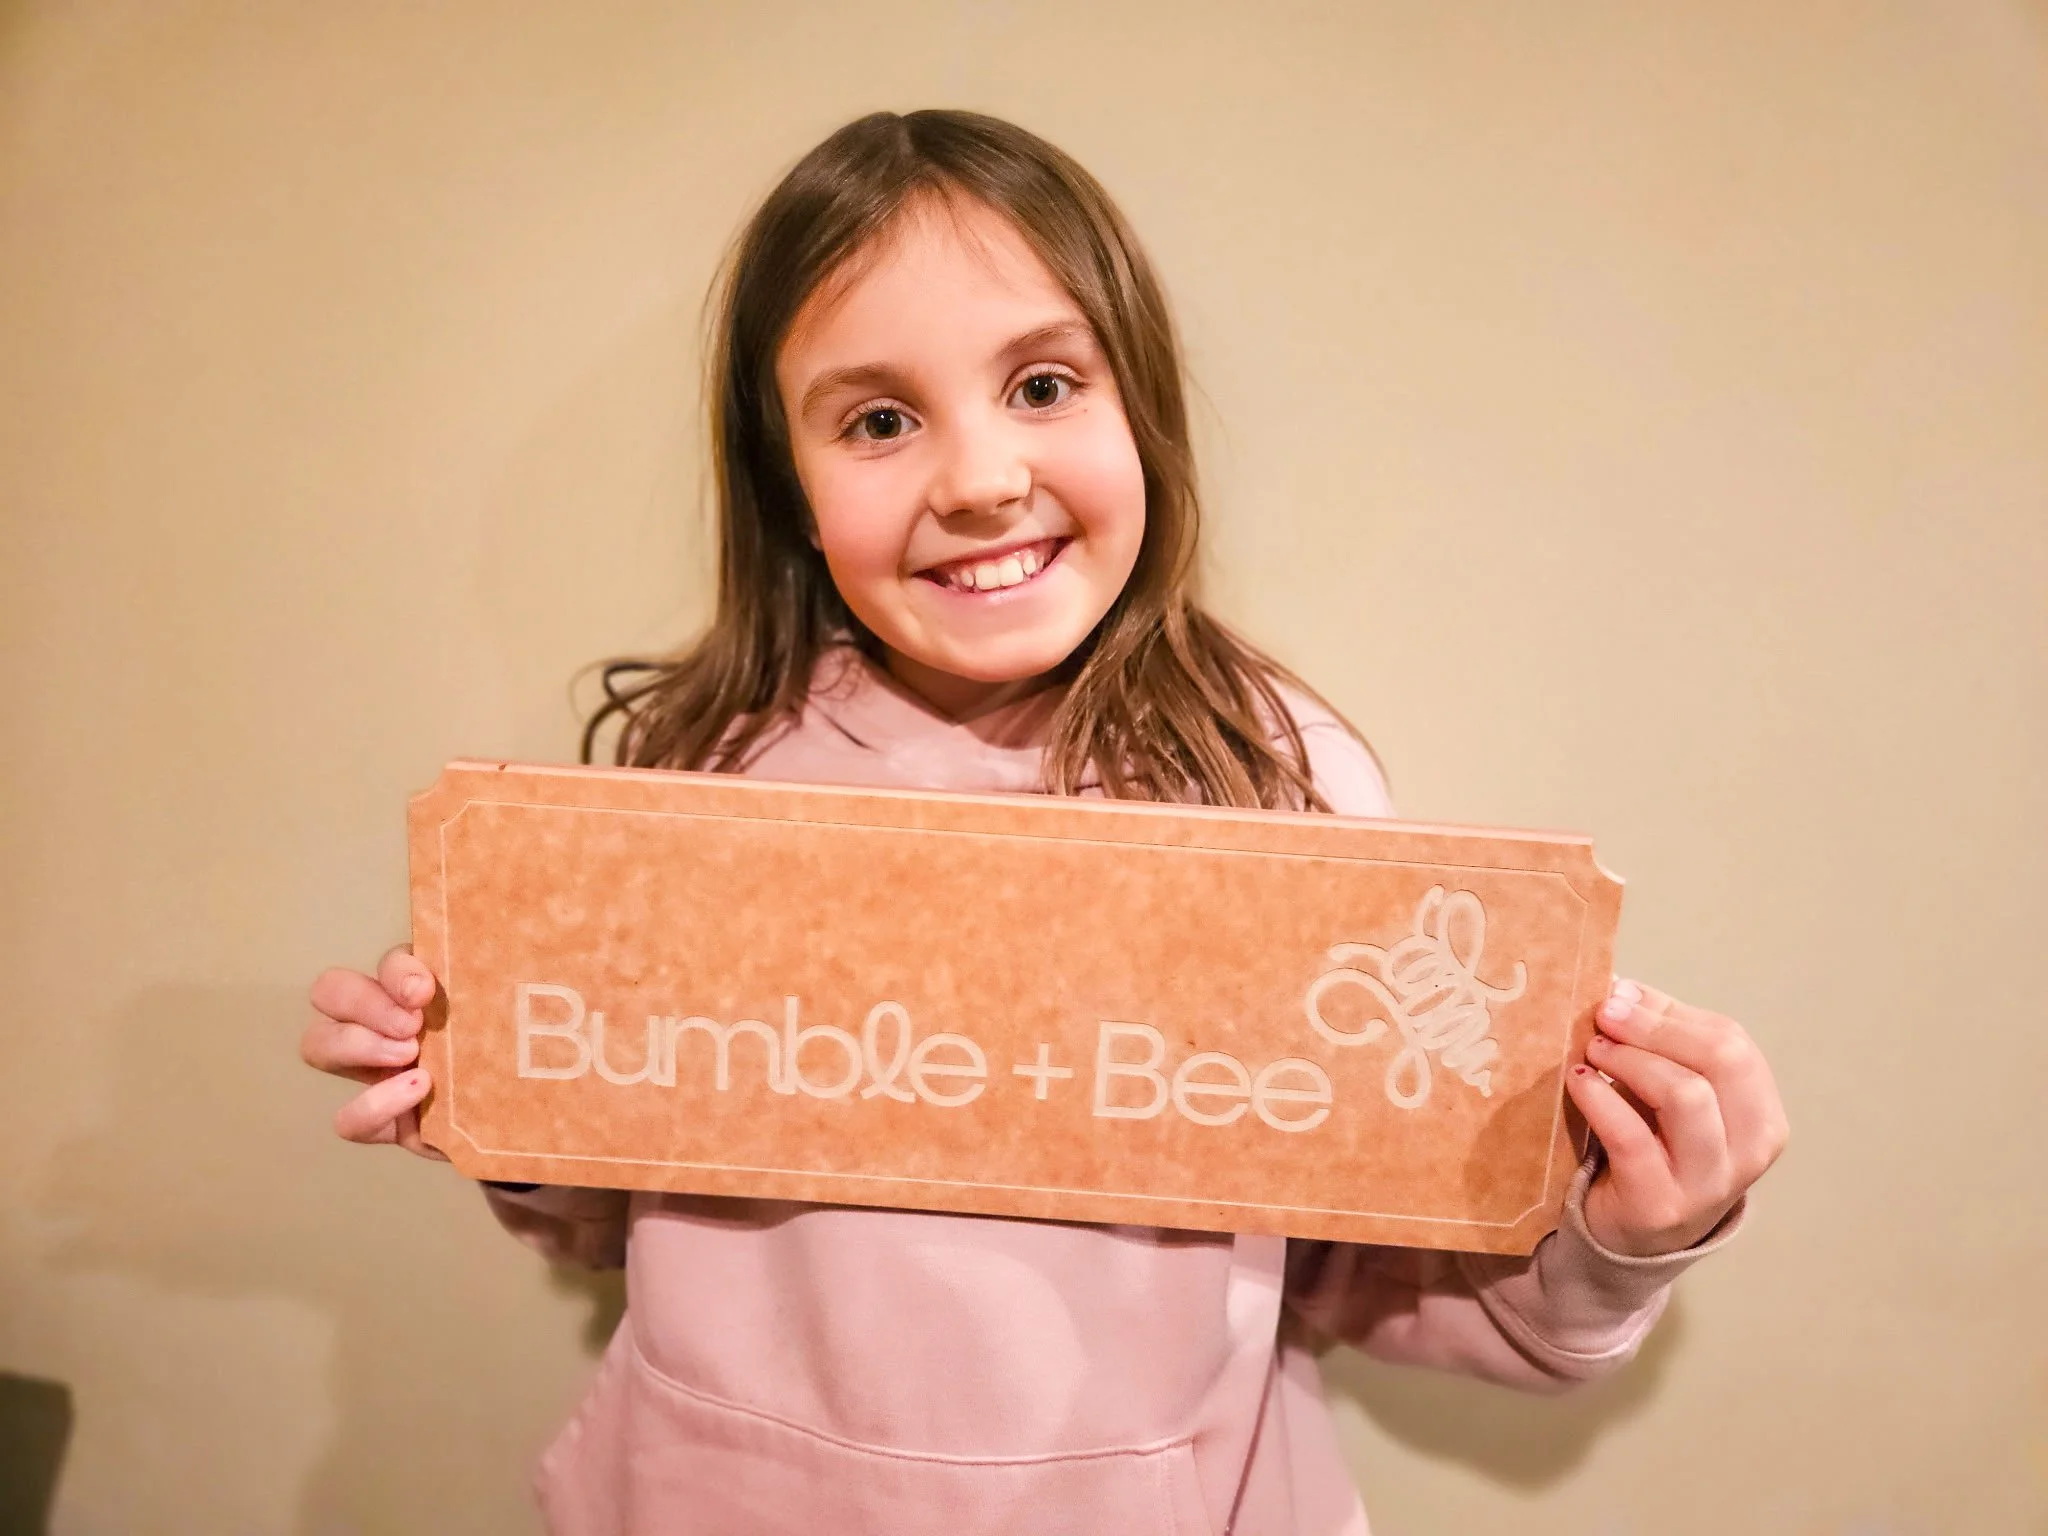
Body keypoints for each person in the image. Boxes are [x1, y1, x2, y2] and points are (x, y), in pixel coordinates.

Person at [300, 109, 1788, 1535]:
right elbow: (604, 1211)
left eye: (1042, 386)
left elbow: (1367, 1266)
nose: (981, 479)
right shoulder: (703, 771)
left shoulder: (1275, 788)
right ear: (790, 488)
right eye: (879, 420)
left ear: (1140, 399)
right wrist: (502, 1085)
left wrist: (1622, 1233)